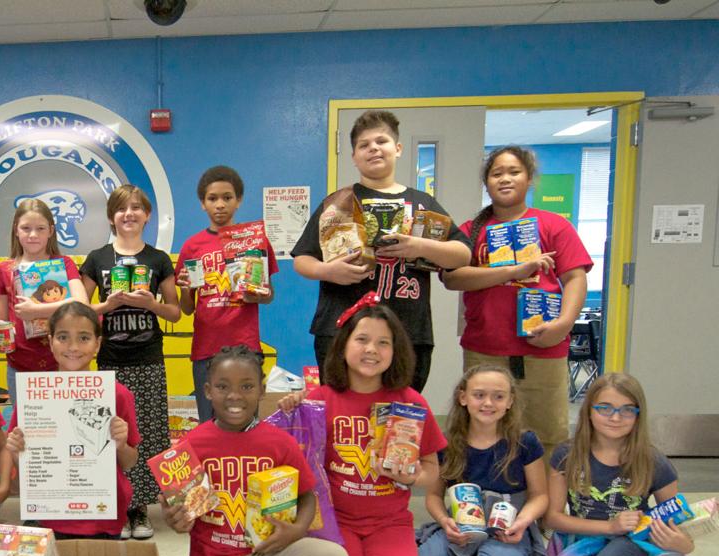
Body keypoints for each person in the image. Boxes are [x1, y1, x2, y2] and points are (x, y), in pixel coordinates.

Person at [161, 345, 349, 556]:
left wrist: (297, 530)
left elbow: (308, 496)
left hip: (266, 549)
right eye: (223, 386)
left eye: (247, 386)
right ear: (207, 391)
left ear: (262, 389)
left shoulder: (279, 442)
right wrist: (176, 517)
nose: (235, 396)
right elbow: (179, 514)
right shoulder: (192, 444)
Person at [281, 298, 445, 556]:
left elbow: (432, 473)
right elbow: (293, 461)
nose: (372, 350)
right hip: (336, 522)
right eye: (362, 339)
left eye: (383, 343)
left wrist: (411, 475)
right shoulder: (319, 400)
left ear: (396, 350)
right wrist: (290, 410)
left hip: (391, 522)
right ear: (343, 346)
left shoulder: (411, 403)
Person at [291, 111, 471, 391]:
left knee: (399, 417)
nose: (373, 148)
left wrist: (419, 246)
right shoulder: (338, 203)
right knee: (343, 415)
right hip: (340, 330)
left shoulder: (423, 203)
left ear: (397, 149)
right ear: (353, 156)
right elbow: (302, 259)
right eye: (364, 145)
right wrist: (328, 271)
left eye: (381, 141)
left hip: (408, 330)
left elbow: (462, 254)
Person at [442, 146, 592, 451]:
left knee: (547, 435)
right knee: (482, 435)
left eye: (514, 172)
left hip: (543, 350)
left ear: (529, 179)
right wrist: (514, 270)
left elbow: (575, 277)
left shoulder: (554, 225)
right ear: (486, 182)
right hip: (485, 350)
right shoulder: (471, 231)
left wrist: (563, 325)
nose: (505, 179)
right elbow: (452, 277)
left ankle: (546, 498)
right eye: (497, 173)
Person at [538, 373, 719, 556]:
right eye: (605, 408)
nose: (615, 417)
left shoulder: (653, 461)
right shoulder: (566, 455)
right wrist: (610, 527)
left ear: (638, 415)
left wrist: (684, 544)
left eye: (626, 410)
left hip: (633, 540)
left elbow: (675, 518)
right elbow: (552, 518)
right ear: (588, 410)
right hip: (585, 539)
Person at [0, 302, 139, 540]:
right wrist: (17, 451)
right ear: (51, 342)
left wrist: (121, 444)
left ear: (97, 344)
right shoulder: (34, 397)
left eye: (84, 338)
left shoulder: (116, 394)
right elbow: (27, 467)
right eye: (63, 337)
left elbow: (129, 462)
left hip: (104, 514)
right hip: (50, 513)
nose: (73, 347)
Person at [80, 184, 181, 540]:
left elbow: (176, 311)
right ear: (111, 216)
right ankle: (116, 505)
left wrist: (151, 305)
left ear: (147, 215)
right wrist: (107, 306)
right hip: (110, 360)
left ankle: (139, 509)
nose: (129, 214)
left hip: (149, 357)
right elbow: (79, 308)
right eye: (122, 208)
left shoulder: (157, 259)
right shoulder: (97, 257)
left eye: (137, 208)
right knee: (110, 434)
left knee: (149, 435)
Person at [416, 365, 548, 556]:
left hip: (506, 531)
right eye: (479, 395)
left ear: (510, 401)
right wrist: (444, 522)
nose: (488, 403)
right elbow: (433, 497)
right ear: (463, 397)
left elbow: (540, 496)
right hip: (461, 529)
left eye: (498, 396)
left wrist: (523, 523)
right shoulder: (446, 444)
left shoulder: (525, 442)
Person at [175, 165, 276, 422]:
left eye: (227, 197)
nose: (220, 204)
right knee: (208, 421)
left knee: (245, 420)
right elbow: (187, 308)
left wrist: (255, 293)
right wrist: (187, 290)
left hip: (245, 345)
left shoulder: (254, 240)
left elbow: (268, 295)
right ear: (202, 204)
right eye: (212, 198)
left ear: (239, 201)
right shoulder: (192, 246)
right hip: (206, 347)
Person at [0, 198, 89, 401]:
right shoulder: (4, 270)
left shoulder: (63, 263)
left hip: (62, 360)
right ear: (16, 230)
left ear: (51, 231)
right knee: (24, 428)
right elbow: (1, 320)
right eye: (26, 228)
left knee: (65, 424)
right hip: (19, 363)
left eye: (40, 228)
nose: (33, 235)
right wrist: (0, 335)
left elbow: (81, 303)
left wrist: (36, 311)